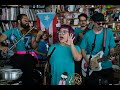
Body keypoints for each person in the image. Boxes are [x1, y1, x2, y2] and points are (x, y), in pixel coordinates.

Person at [0, 14, 43, 85]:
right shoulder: (11, 31)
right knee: (16, 80)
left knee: (28, 80)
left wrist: (38, 37)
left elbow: (34, 46)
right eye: (25, 20)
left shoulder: (31, 31)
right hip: (16, 57)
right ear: (19, 21)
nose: (27, 22)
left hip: (28, 57)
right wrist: (1, 47)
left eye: (28, 20)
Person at [80, 13, 116, 85]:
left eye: (103, 23)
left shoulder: (108, 32)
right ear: (93, 22)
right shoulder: (87, 34)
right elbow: (82, 49)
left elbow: (112, 48)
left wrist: (112, 54)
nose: (101, 25)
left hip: (106, 66)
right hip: (92, 67)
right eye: (99, 23)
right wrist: (88, 61)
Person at [74, 13, 90, 77]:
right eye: (81, 20)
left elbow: (91, 43)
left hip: (86, 54)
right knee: (77, 72)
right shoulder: (76, 30)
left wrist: (83, 37)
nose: (82, 22)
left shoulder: (90, 31)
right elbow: (73, 41)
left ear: (86, 21)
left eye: (84, 20)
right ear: (79, 21)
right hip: (77, 53)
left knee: (86, 72)